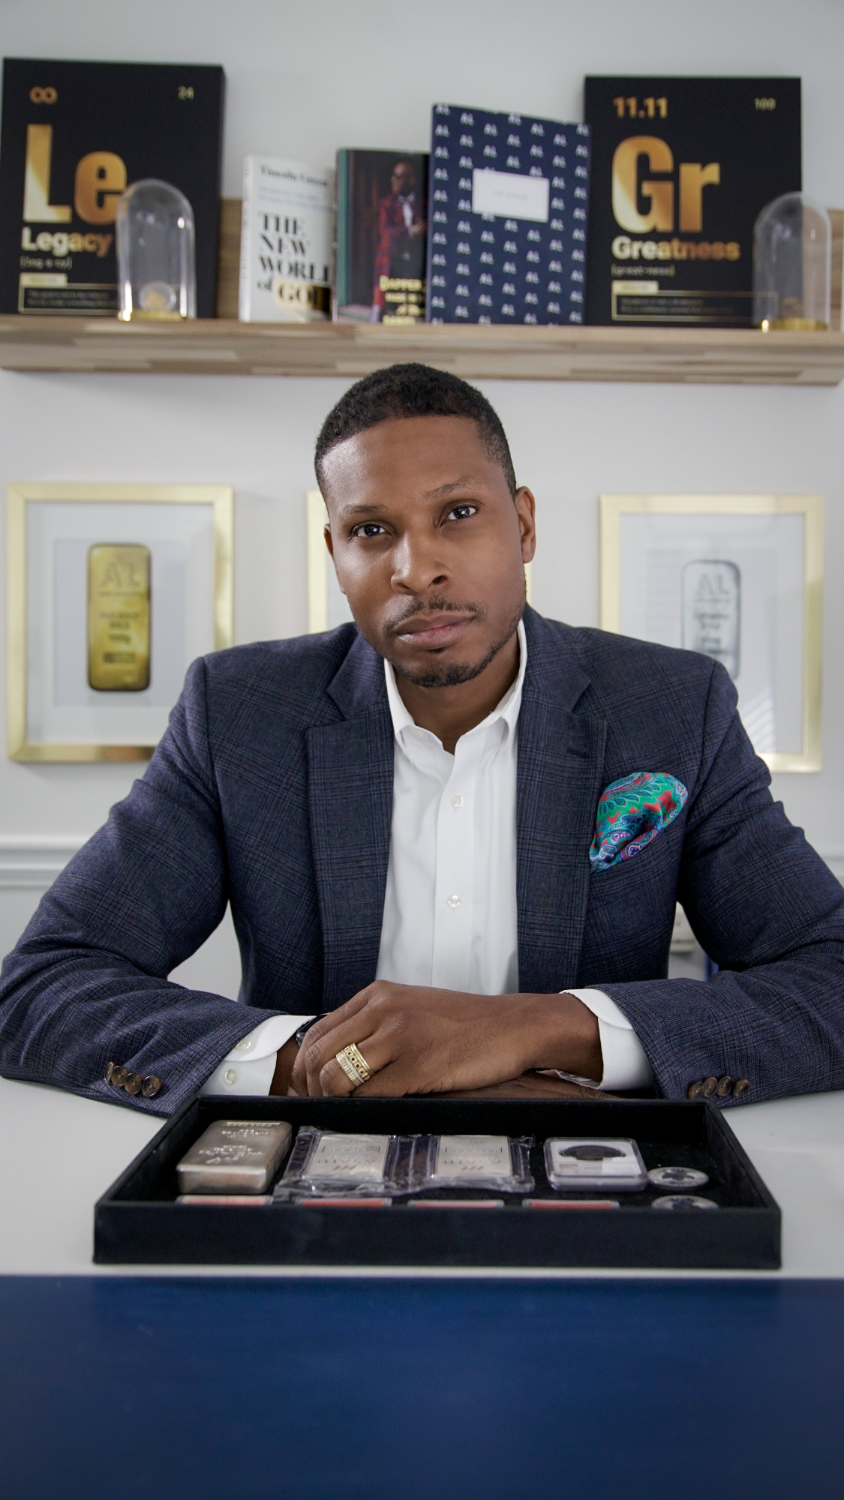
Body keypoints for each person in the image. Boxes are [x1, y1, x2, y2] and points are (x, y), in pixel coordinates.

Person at [1, 363, 843, 1117]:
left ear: (524, 527)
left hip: (589, 1178)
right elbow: (43, 985)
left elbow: (829, 975)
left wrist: (534, 1029)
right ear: (335, 552)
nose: (416, 567)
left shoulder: (670, 707)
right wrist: (313, 1064)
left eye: (460, 513)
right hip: (314, 1188)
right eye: (372, 530)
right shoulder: (239, 714)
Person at [369, 159, 426, 321]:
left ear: (411, 180)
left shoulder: (424, 202)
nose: (392, 180)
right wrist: (409, 231)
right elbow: (385, 229)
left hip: (417, 250)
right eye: (392, 176)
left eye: (398, 176)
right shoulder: (386, 203)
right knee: (385, 246)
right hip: (396, 250)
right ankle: (377, 306)